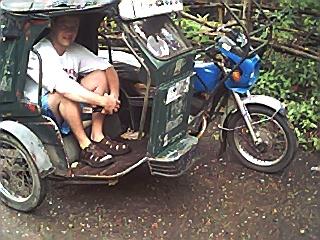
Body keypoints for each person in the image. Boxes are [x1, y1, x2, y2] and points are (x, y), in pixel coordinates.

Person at [26, 14, 130, 168]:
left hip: (70, 104)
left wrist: (113, 97)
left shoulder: (74, 50)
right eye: (64, 26)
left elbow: (107, 67)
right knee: (64, 96)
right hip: (40, 109)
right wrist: (102, 101)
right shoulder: (40, 53)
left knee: (99, 77)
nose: (69, 31)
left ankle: (97, 135)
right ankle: (85, 146)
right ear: (52, 25)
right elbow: (64, 88)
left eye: (73, 27)